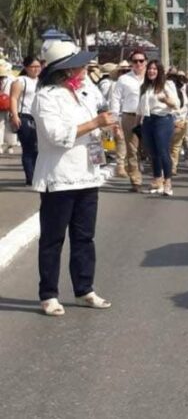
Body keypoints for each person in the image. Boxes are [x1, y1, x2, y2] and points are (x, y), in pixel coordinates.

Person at [31, 40, 115, 316]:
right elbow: (56, 135)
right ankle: (48, 294)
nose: (83, 67)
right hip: (60, 176)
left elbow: (94, 125)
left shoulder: (85, 91)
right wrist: (95, 123)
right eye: (78, 63)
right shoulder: (46, 96)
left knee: (84, 237)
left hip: (88, 174)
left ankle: (84, 289)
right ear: (66, 69)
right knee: (53, 239)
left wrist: (105, 130)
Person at [137, 60, 181, 196]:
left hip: (162, 120)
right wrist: (137, 124)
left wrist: (165, 100)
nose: (151, 71)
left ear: (159, 71)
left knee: (163, 152)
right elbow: (140, 108)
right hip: (148, 121)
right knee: (153, 153)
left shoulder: (167, 85)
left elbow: (176, 104)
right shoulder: (144, 87)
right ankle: (158, 181)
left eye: (155, 69)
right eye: (149, 69)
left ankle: (168, 183)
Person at [110, 51, 147, 192]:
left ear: (146, 62)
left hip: (149, 117)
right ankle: (136, 181)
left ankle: (159, 178)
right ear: (131, 63)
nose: (138, 64)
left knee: (153, 149)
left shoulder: (152, 78)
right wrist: (115, 120)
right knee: (132, 150)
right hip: (130, 116)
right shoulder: (124, 79)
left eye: (141, 61)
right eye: (135, 61)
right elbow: (115, 100)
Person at [9, 55, 42, 185]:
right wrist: (15, 115)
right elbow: (13, 98)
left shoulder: (42, 81)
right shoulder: (20, 81)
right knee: (29, 148)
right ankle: (31, 177)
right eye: (33, 67)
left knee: (38, 148)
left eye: (38, 66)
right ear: (26, 68)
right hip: (25, 116)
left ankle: (37, 174)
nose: (36, 69)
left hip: (39, 117)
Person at [167, 70, 188, 176]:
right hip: (169, 120)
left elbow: (185, 106)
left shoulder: (183, 90)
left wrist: (183, 120)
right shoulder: (167, 88)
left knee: (175, 146)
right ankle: (169, 167)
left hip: (181, 121)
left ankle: (172, 167)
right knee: (170, 146)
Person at [0, 60, 19, 155]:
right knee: (6, 125)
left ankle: (6, 145)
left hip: (6, 105)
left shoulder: (10, 78)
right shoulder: (12, 78)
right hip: (6, 104)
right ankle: (6, 145)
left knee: (5, 125)